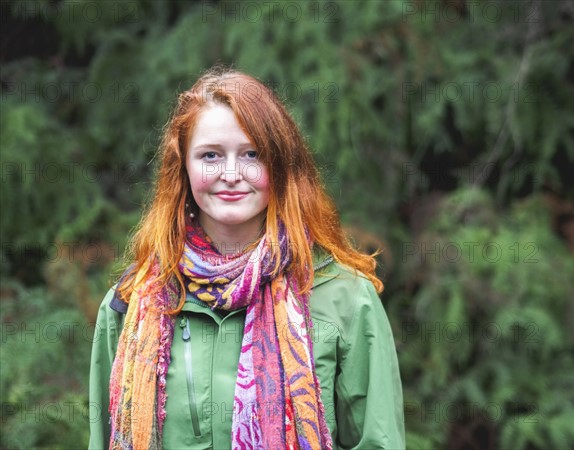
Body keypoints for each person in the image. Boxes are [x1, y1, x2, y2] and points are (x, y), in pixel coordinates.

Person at [88, 67, 405, 450]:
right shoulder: (131, 303)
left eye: (252, 154)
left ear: (281, 166)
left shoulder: (344, 299)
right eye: (210, 155)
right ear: (183, 167)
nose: (232, 173)